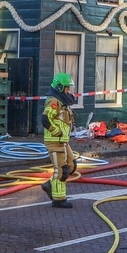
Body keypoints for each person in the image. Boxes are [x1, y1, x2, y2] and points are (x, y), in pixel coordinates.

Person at [41, 72, 77, 209]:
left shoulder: (63, 102)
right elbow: (45, 119)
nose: (69, 91)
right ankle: (58, 199)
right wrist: (57, 131)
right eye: (67, 88)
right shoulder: (54, 101)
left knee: (72, 165)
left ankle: (49, 184)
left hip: (63, 140)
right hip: (55, 141)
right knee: (61, 170)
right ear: (60, 87)